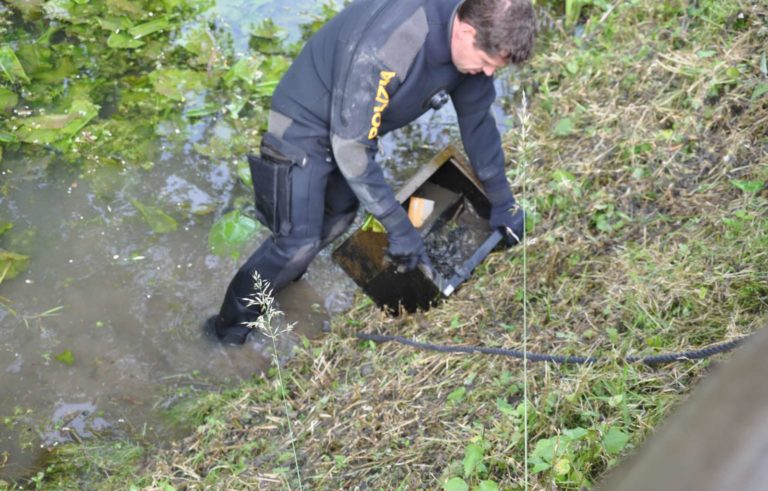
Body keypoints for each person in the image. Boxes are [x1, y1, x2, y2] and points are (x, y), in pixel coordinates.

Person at [206, 0, 536, 345]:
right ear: (466, 32)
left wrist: (503, 201)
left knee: (339, 217)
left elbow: (479, 126)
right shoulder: (389, 46)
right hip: (302, 123)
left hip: (355, 125)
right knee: (295, 242)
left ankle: (286, 284)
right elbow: (351, 148)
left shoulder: (469, 44)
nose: (487, 74)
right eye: (485, 63)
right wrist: (398, 226)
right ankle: (226, 333)